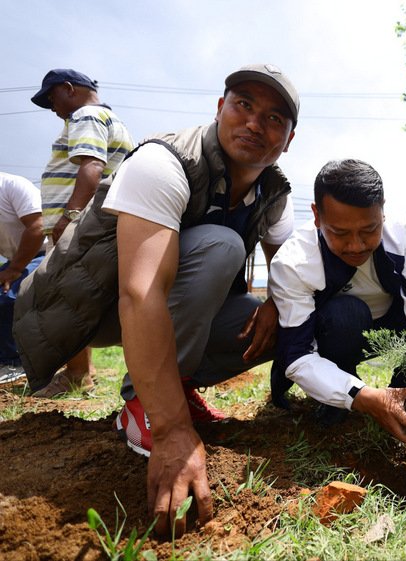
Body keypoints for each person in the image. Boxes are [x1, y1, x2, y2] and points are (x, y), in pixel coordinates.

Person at [15, 63, 299, 536]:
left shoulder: (273, 190)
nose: (254, 123)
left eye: (274, 118)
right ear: (220, 108)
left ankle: (177, 386)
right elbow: (139, 292)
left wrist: (275, 303)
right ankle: (142, 406)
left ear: (288, 138)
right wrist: (171, 431)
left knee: (280, 317)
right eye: (244, 105)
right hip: (93, 307)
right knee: (221, 246)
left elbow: (291, 271)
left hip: (163, 305)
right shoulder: (163, 162)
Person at [269, 159, 406, 442]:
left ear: (382, 212)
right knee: (346, 314)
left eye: (369, 230)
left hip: (393, 327)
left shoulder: (403, 234)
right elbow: (298, 355)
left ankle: (405, 398)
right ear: (317, 216)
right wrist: (359, 395)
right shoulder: (294, 261)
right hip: (336, 334)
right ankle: (337, 400)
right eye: (340, 233)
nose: (356, 246)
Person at [30, 68, 135, 397]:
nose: (53, 108)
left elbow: (91, 168)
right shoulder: (108, 118)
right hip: (98, 225)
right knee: (76, 299)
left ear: (69, 89)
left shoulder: (86, 115)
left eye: (52, 98)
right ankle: (81, 371)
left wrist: (69, 218)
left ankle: (76, 375)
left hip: (81, 225)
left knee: (64, 301)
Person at [0, 173, 44, 383]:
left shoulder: (12, 186)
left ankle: (13, 364)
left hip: (44, 251)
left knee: (7, 297)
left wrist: (15, 268)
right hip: (16, 258)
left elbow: (38, 227)